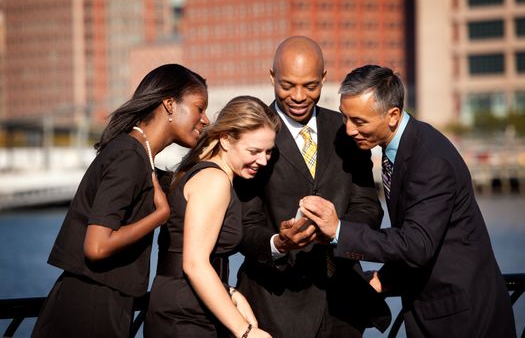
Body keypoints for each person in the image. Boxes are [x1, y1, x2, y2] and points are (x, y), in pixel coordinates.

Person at [300, 64, 517, 338]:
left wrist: (339, 231)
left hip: (464, 319)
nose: (349, 130)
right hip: (438, 310)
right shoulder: (404, 147)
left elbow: (417, 244)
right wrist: (384, 279)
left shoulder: (430, 160)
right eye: (345, 118)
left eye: (359, 121)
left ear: (392, 116)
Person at [31, 64, 210, 338]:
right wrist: (158, 217)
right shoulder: (129, 156)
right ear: (170, 105)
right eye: (200, 107)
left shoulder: (140, 157)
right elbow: (97, 246)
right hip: (90, 308)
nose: (205, 119)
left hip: (103, 302)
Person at [233, 36, 390, 338]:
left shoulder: (347, 131)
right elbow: (245, 223)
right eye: (287, 85)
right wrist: (279, 243)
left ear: (323, 79)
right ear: (271, 78)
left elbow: (368, 206)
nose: (299, 96)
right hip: (274, 307)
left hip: (343, 308)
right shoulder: (251, 136)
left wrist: (337, 231)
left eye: (310, 86)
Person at [144, 96, 279, 338]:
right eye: (254, 151)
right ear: (226, 140)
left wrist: (229, 292)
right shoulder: (214, 181)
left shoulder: (202, 172)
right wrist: (246, 331)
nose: (263, 160)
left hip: (182, 303)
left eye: (268, 151)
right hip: (184, 314)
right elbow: (194, 264)